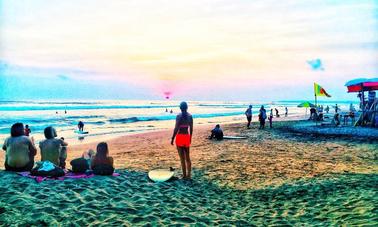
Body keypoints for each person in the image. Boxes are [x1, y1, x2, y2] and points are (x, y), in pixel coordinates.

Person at [171, 102, 193, 179]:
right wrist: (190, 138)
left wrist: (172, 138)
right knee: (188, 157)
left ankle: (184, 175)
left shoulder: (178, 116)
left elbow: (176, 128)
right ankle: (189, 175)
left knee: (182, 158)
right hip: (186, 137)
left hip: (180, 137)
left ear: (180, 108)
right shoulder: (190, 116)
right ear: (187, 107)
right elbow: (191, 129)